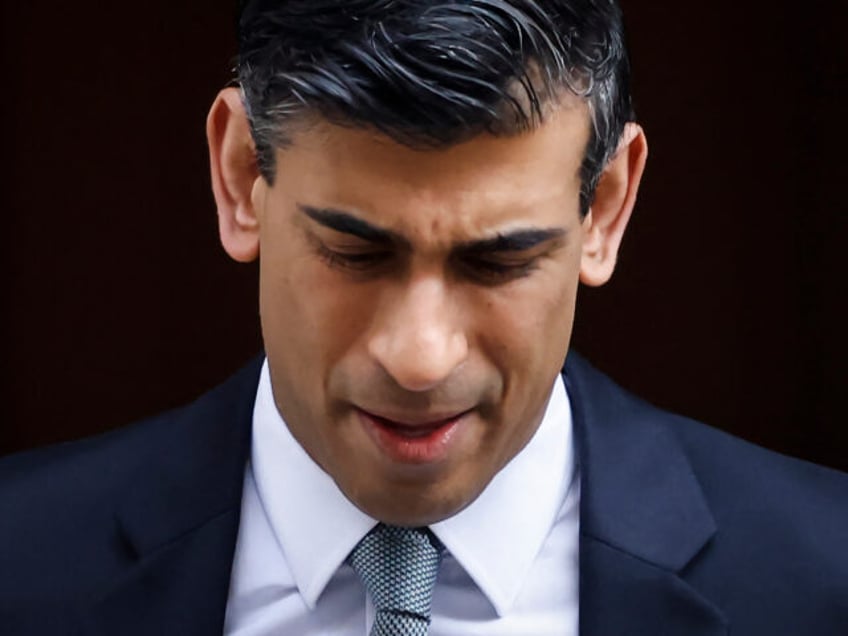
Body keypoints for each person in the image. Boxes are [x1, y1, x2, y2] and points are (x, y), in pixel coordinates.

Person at [1, 1, 846, 634]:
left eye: (500, 261)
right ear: (239, 175)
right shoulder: (21, 564)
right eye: (355, 253)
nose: (420, 358)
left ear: (607, 209)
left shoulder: (822, 579)